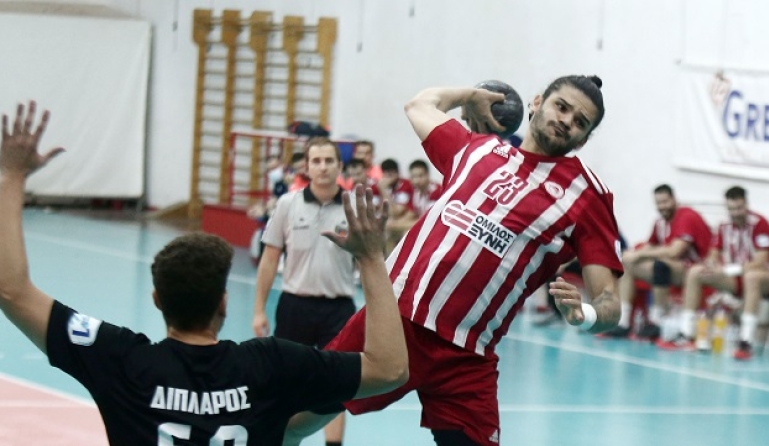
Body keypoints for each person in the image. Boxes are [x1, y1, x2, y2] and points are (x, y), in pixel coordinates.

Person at [0, 102, 408, 446]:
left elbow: (9, 290)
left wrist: (11, 177)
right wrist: (371, 259)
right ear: (224, 301)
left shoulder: (122, 360)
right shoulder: (271, 365)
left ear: (157, 299)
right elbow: (389, 370)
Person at [285, 75, 623, 446]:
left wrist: (585, 315)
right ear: (537, 102)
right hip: (395, 324)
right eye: (562, 107)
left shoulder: (588, 196)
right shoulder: (475, 149)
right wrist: (470, 96)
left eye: (580, 122)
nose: (567, 121)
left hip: (468, 355)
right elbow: (418, 105)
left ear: (584, 138)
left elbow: (610, 303)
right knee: (295, 418)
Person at [252, 137, 358, 446]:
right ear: (306, 167)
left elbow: (369, 261)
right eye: (316, 161)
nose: (323, 167)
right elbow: (270, 258)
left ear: (340, 166)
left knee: (338, 386)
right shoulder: (288, 205)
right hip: (294, 305)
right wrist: (259, 309)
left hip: (339, 309)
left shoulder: (354, 206)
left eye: (329, 161)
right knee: (286, 381)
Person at [657, 186, 769, 358]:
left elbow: (761, 261)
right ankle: (687, 334)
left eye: (739, 208)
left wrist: (731, 269)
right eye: (732, 209)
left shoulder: (759, 223)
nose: (736, 213)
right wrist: (711, 265)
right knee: (696, 271)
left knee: (752, 277)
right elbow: (714, 253)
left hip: (761, 277)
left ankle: (745, 342)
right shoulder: (724, 226)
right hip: (735, 277)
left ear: (746, 204)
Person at [604, 184, 711, 340]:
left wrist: (640, 254)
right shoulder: (660, 222)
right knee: (627, 263)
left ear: (675, 199)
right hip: (674, 268)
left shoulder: (687, 216)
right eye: (659, 203)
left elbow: (675, 251)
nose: (662, 206)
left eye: (665, 202)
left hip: (694, 269)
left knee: (660, 266)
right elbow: (650, 244)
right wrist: (631, 254)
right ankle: (623, 322)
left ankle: (657, 321)